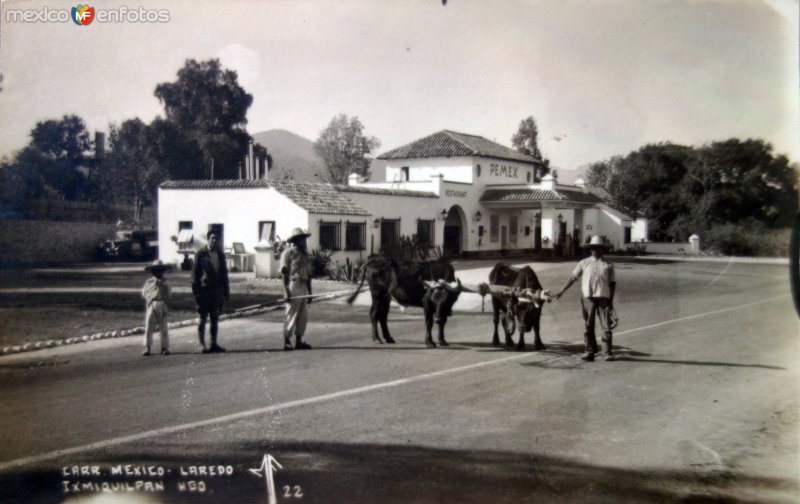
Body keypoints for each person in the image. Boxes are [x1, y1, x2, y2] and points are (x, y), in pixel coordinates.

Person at [554, 235, 617, 362]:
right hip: (588, 297)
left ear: (602, 249)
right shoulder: (584, 263)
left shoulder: (608, 265)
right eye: (592, 247)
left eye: (597, 248)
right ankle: (589, 351)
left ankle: (607, 352)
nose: (594, 250)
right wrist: (562, 290)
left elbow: (612, 284)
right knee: (588, 325)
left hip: (603, 298)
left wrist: (611, 301)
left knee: (606, 326)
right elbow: (573, 277)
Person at [192, 230, 230, 353]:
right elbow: (194, 275)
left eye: (217, 238)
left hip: (217, 291)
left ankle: (213, 343)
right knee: (202, 317)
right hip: (204, 291)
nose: (214, 241)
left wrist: (226, 290)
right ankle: (201, 344)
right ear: (208, 239)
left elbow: (224, 274)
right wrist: (196, 292)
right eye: (212, 238)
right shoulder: (200, 254)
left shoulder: (220, 254)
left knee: (214, 318)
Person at [280, 227, 314, 351]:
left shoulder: (305, 254)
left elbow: (309, 274)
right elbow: (284, 274)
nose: (305, 242)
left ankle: (299, 341)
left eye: (305, 239)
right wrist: (285, 291)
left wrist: (310, 292)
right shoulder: (288, 253)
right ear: (296, 240)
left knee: (302, 315)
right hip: (293, 285)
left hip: (303, 285)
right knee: (291, 314)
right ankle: (287, 341)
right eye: (302, 239)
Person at [141, 259, 173, 356]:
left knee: (163, 327)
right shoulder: (149, 282)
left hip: (162, 304)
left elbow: (169, 294)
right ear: (152, 271)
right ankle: (147, 347)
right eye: (155, 270)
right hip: (152, 304)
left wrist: (166, 300)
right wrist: (149, 298)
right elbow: (144, 293)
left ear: (163, 271)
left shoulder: (166, 282)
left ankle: (164, 347)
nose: (158, 272)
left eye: (160, 270)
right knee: (149, 326)